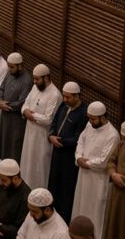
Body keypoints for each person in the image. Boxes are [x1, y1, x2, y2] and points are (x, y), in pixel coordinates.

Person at [70, 102, 120, 239]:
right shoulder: (89, 125)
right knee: (80, 204)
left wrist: (87, 163)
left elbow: (105, 161)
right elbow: (81, 141)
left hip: (98, 180)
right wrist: (79, 157)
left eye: (93, 118)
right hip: (84, 175)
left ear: (103, 117)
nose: (90, 121)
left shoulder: (112, 135)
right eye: (89, 118)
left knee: (96, 211)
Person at [45, 82, 87, 222]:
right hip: (57, 152)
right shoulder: (64, 105)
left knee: (66, 187)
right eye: (64, 96)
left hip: (69, 156)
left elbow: (79, 138)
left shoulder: (83, 113)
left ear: (77, 96)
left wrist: (61, 141)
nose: (65, 100)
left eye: (68, 97)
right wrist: (51, 135)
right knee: (54, 183)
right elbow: (55, 121)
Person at [19, 65, 61, 191]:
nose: (35, 82)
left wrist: (31, 115)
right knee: (27, 162)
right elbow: (25, 105)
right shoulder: (35, 87)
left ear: (46, 78)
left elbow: (48, 119)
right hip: (30, 133)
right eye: (34, 79)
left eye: (37, 79)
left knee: (40, 166)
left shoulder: (55, 94)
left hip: (42, 137)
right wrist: (26, 112)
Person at [0, 52, 33, 161]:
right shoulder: (9, 73)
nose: (9, 69)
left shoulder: (27, 80)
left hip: (16, 120)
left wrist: (5, 105)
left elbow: (23, 101)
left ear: (20, 66)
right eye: (9, 66)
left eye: (12, 67)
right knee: (3, 143)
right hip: (5, 116)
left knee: (14, 146)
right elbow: (1, 89)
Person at [0, 159, 30, 239]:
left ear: (15, 178)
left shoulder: (26, 195)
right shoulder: (3, 186)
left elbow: (20, 227)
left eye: (4, 180)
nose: (1, 183)